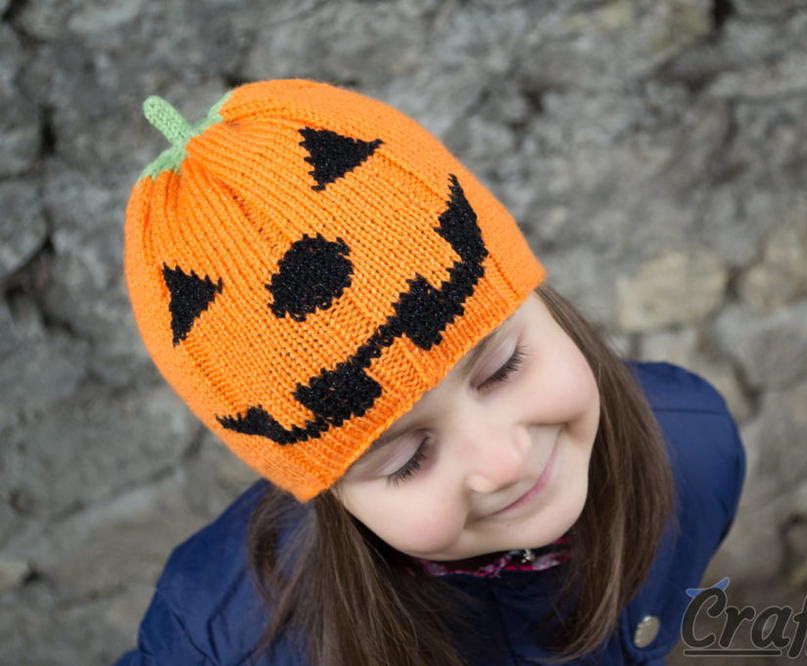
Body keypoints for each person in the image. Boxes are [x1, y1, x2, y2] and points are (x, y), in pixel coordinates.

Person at [112, 78, 746, 665]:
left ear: (545, 308)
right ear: (325, 487)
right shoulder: (216, 641)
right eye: (406, 459)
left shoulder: (696, 449)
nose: (503, 462)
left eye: (504, 368)